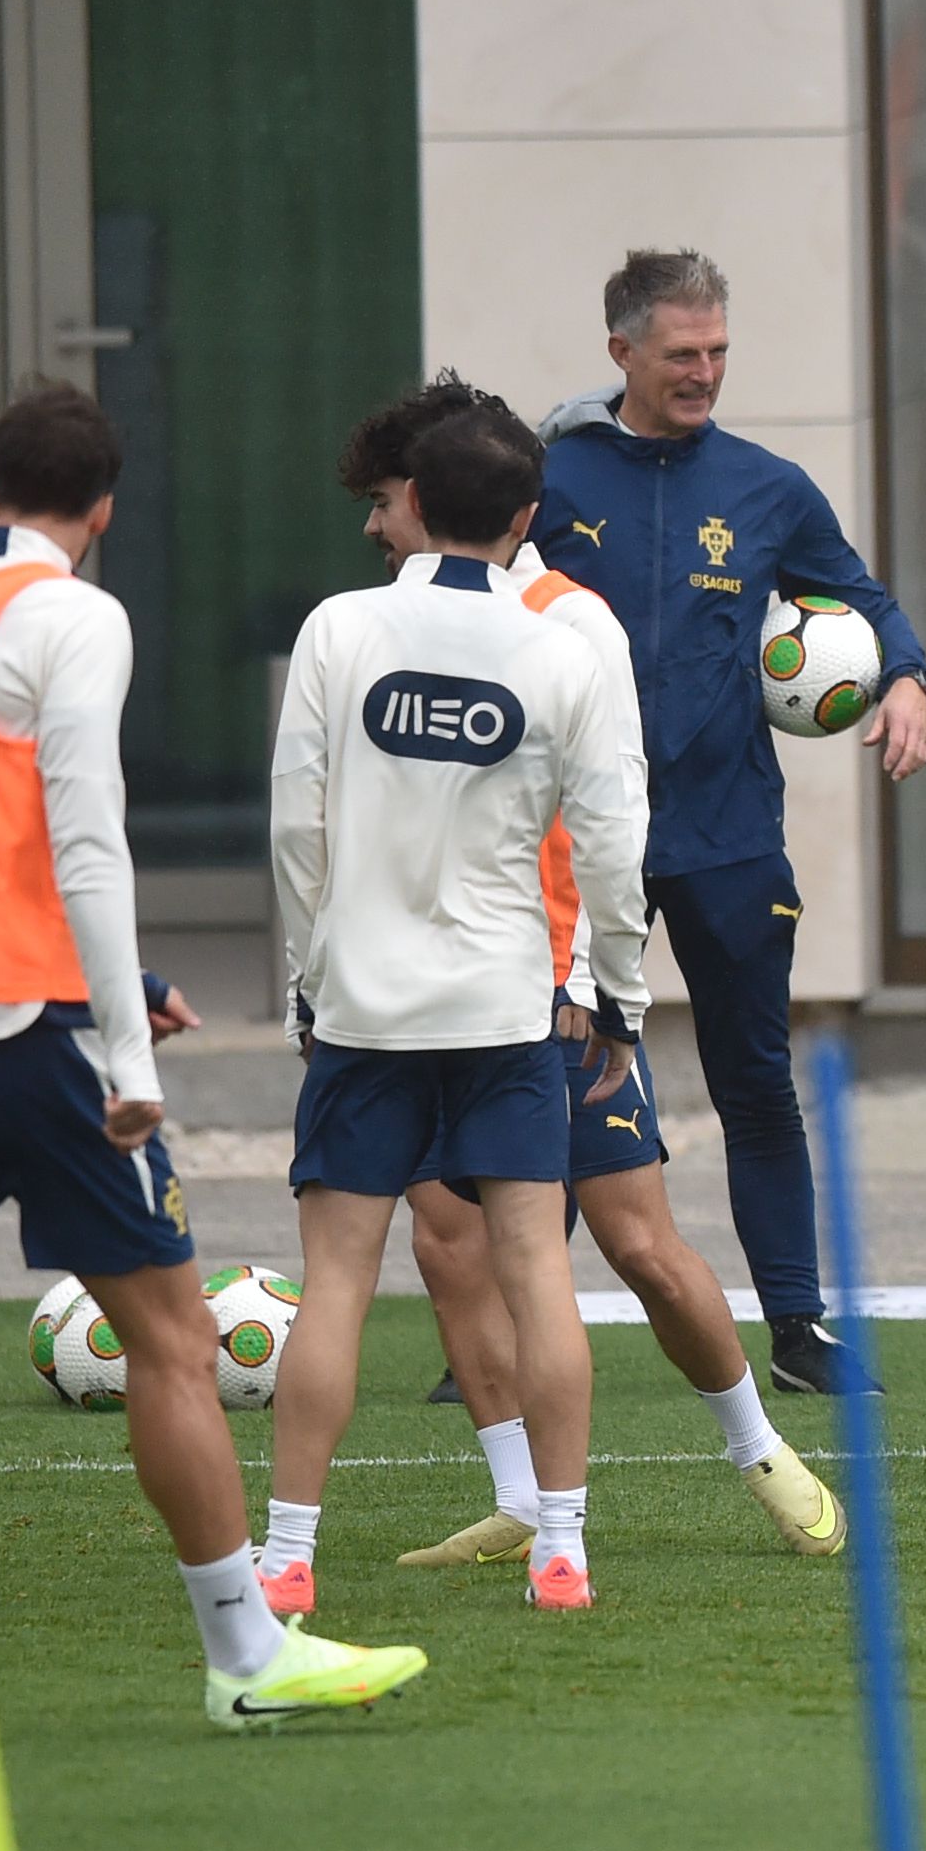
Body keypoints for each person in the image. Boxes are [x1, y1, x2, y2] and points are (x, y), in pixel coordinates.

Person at [0, 384, 424, 1750]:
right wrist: (125, 1053)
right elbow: (85, 843)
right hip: (33, 1041)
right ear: (104, 511)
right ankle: (247, 1654)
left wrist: (116, 984)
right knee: (174, 1342)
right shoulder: (74, 617)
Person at [300, 381, 839, 1571]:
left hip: (548, 994)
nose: (374, 524)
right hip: (418, 997)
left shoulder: (569, 622)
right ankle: (520, 1500)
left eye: (384, 499)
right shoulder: (373, 624)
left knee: (637, 1243)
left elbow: (612, 819)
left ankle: (760, 1449)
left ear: (431, 496)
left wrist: (602, 983)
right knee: (448, 1244)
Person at [265, 386, 651, 1616]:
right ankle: (562, 1552)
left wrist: (308, 978)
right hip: (505, 1011)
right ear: (525, 517)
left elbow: (294, 828)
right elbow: (614, 844)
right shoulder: (562, 648)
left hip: (365, 1012)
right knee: (537, 1269)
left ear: (417, 503)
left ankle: (285, 1558)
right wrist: (621, 995)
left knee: (335, 1280)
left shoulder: (339, 628)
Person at [538, 250, 926, 1397]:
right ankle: (503, 1335)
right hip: (575, 838)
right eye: (680, 354)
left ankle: (798, 1330)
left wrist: (907, 677)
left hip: (726, 836)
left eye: (716, 351)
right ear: (621, 351)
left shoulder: (768, 487)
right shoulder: (551, 476)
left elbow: (862, 600)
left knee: (755, 1082)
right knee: (546, 1078)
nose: (704, 372)